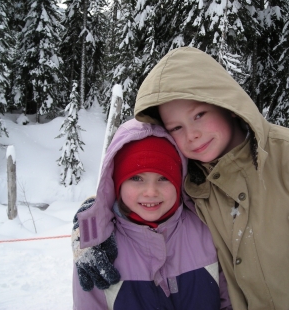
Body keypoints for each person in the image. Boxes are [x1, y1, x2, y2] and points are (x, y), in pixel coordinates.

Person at [73, 47, 289, 309]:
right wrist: (88, 231)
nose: (192, 134)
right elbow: (136, 190)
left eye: (199, 115)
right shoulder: (193, 183)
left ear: (227, 105)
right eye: (176, 128)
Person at [72, 118, 232, 310]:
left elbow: (230, 300)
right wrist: (90, 227)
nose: (150, 191)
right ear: (117, 183)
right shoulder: (99, 249)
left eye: (163, 178)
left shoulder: (207, 229)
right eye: (136, 178)